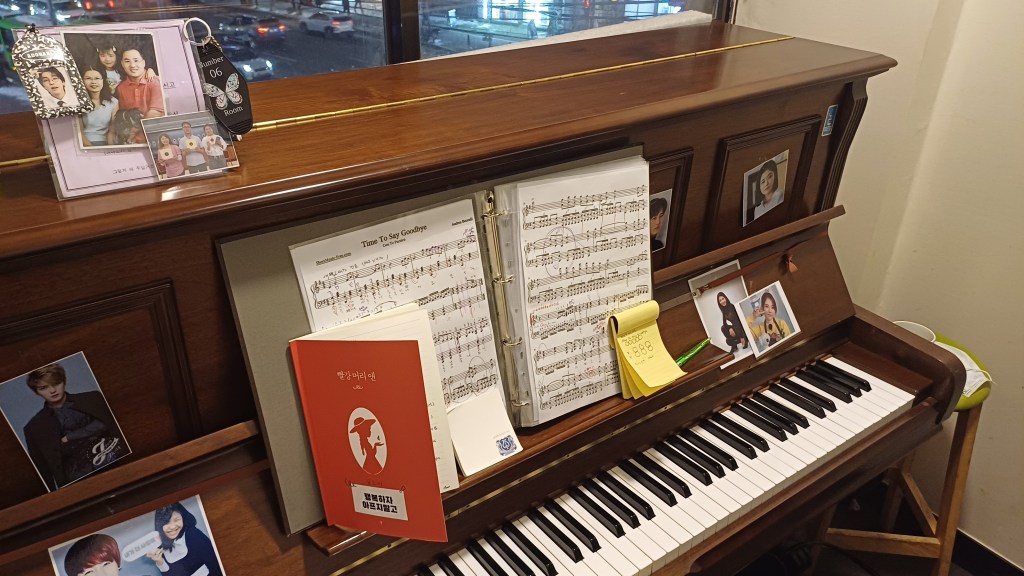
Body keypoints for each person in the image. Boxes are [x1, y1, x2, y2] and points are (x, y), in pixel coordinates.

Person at [22, 363, 127, 490]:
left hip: (113, 460)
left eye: (56, 383)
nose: (52, 390)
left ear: (64, 381)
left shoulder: (93, 398)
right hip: (76, 480)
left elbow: (109, 424)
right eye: (43, 387)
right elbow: (42, 469)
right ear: (37, 392)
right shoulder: (33, 427)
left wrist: (69, 437)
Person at [146, 502, 222, 576]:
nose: (172, 527)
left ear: (183, 518)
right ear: (159, 525)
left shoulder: (194, 535)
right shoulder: (160, 547)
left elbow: (216, 566)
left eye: (176, 520)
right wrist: (160, 561)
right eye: (166, 523)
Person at [114, 47, 164, 119]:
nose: (132, 65)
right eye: (127, 61)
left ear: (143, 63)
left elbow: (155, 113)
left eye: (136, 60)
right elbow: (123, 114)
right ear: (122, 64)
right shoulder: (121, 87)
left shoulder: (155, 82)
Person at [79, 64, 118, 147]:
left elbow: (112, 131)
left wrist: (109, 149)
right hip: (84, 145)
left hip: (106, 144)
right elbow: (79, 133)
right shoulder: (78, 103)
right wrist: (92, 149)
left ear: (103, 80)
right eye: (88, 78)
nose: (93, 82)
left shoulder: (113, 102)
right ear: (82, 80)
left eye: (97, 78)